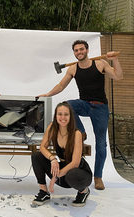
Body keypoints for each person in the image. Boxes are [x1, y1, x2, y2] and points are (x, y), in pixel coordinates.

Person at [38, 40, 123, 190]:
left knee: (101, 143)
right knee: (68, 106)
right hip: (84, 104)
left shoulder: (100, 64)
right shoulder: (73, 69)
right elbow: (61, 85)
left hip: (100, 107)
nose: (79, 52)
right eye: (76, 50)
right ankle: (81, 133)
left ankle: (98, 177)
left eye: (81, 49)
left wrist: (115, 60)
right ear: (74, 53)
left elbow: (118, 76)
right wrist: (48, 94)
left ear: (87, 50)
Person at [31, 101, 92, 207]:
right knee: (36, 156)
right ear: (56, 115)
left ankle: (84, 191)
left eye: (66, 114)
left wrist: (55, 176)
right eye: (60, 114)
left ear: (70, 116)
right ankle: (44, 192)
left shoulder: (77, 133)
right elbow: (42, 147)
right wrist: (53, 159)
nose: (63, 117)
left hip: (79, 173)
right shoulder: (52, 127)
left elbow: (75, 163)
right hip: (62, 170)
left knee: (71, 174)